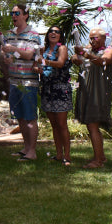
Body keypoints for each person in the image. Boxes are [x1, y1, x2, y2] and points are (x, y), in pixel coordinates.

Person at [1, 4, 41, 161]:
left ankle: (32, 151)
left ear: (25, 15)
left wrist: (12, 50)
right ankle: (26, 148)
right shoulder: (8, 35)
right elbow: (5, 56)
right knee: (20, 117)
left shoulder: (33, 35)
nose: (13, 16)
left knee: (30, 117)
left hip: (28, 83)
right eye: (12, 13)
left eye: (17, 13)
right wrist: (6, 57)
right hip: (14, 81)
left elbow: (30, 54)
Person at [72, 28, 112, 169]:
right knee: (91, 125)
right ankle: (101, 156)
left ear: (104, 38)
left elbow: (103, 61)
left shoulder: (110, 50)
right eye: (91, 38)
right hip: (86, 92)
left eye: (95, 38)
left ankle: (98, 161)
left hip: (99, 93)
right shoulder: (88, 50)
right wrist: (75, 57)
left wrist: (85, 54)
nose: (92, 41)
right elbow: (77, 60)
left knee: (93, 125)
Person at [40, 26, 72, 166]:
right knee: (54, 125)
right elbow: (40, 66)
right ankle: (58, 154)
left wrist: (44, 61)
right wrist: (38, 68)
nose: (53, 33)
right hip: (47, 88)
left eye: (57, 32)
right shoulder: (44, 50)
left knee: (61, 124)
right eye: (51, 31)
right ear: (47, 35)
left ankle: (67, 155)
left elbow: (59, 63)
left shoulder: (62, 48)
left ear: (60, 36)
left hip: (60, 88)